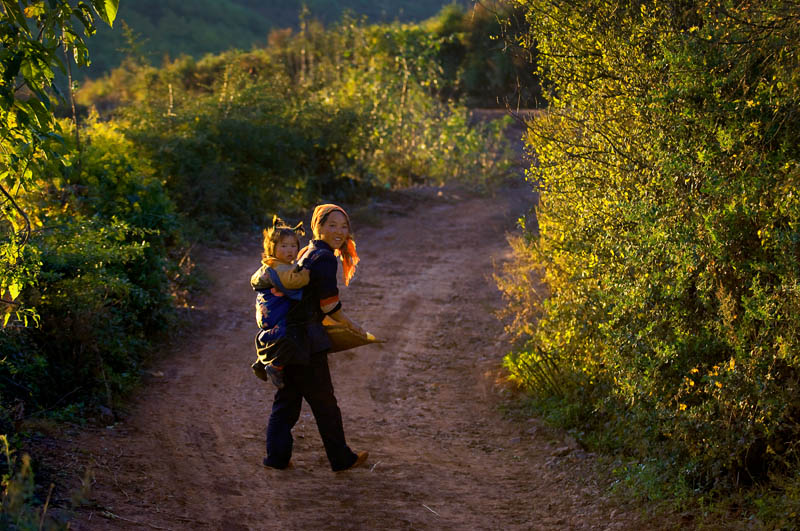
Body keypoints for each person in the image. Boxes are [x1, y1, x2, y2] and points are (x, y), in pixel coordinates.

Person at [263, 203, 368, 472]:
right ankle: (341, 458)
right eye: (332, 225)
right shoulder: (325, 258)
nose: (339, 231)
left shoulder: (308, 251)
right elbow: (328, 306)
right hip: (306, 342)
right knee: (325, 404)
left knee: (287, 402)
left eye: (344, 226)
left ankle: (276, 458)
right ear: (318, 227)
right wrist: (353, 327)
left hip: (288, 340)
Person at [250, 217, 309, 389]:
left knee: (274, 337)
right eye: (284, 246)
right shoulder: (280, 268)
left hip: (267, 312)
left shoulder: (271, 266)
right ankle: (276, 366)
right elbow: (293, 283)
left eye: (293, 245)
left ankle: (261, 362)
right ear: (272, 249)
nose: (290, 250)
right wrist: (305, 274)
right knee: (290, 336)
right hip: (276, 311)